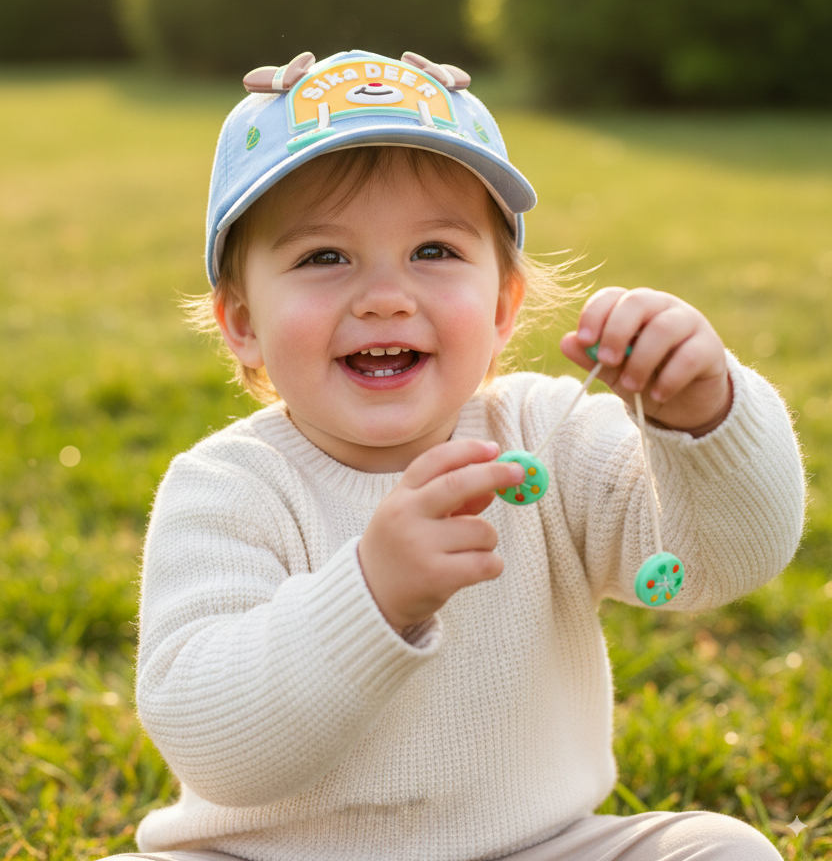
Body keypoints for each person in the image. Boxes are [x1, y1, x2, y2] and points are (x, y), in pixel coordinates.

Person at [110, 49, 804, 861]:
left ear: (505, 303)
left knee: (724, 851)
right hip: (271, 855)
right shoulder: (226, 488)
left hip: (535, 846)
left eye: (434, 251)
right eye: (322, 258)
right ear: (242, 323)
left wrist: (703, 415)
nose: (384, 296)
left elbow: (726, 560)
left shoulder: (546, 436)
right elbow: (215, 745)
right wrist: (370, 597)